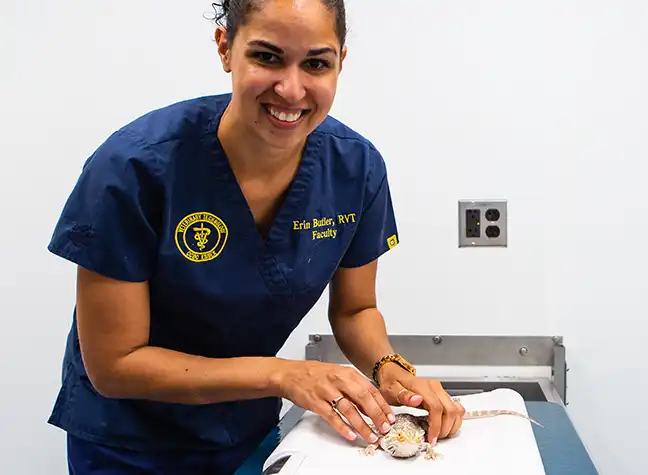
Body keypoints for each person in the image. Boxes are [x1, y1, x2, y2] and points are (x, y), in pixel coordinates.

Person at [46, 0, 466, 473]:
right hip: (129, 443)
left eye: (316, 63)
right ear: (226, 48)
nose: (291, 89)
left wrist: (391, 370)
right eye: (267, 57)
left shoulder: (356, 168)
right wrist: (284, 374)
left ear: (341, 62)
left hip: (248, 429)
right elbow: (115, 364)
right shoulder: (133, 169)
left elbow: (355, 309)